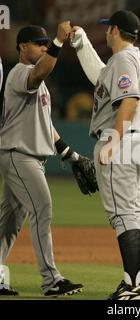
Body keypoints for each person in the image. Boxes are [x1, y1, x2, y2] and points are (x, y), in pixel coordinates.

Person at [70, 10, 140, 300]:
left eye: (108, 28)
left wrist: (113, 141)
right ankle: (136, 280)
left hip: (123, 140)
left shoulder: (123, 59)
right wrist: (81, 42)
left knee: (123, 216)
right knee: (134, 217)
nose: (106, 32)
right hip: (138, 139)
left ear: (114, 30)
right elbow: (102, 78)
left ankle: (134, 285)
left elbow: (129, 99)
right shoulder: (134, 59)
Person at [0, 24, 83, 297]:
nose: (45, 47)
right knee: (42, 209)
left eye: (47, 43)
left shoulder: (40, 82)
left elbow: (46, 124)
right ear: (23, 46)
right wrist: (60, 40)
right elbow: (40, 71)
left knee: (10, 221)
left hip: (27, 155)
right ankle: (51, 280)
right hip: (18, 155)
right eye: (39, 43)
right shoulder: (20, 73)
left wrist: (69, 154)